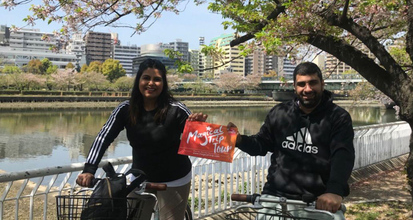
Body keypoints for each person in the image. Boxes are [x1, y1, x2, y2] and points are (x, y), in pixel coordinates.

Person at [76, 58, 207, 220]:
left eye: (157, 79)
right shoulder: (125, 109)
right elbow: (103, 137)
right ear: (138, 80)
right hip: (139, 179)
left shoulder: (177, 110)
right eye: (146, 78)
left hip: (175, 178)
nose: (151, 83)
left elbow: (199, 143)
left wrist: (199, 127)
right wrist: (89, 169)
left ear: (164, 83)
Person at [227, 62, 355, 220]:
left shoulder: (338, 117)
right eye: (301, 84)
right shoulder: (280, 113)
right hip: (274, 196)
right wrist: (240, 140)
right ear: (294, 87)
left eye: (312, 83)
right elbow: (261, 144)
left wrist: (335, 191)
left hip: (317, 200)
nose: (307, 89)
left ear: (322, 84)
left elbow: (342, 156)